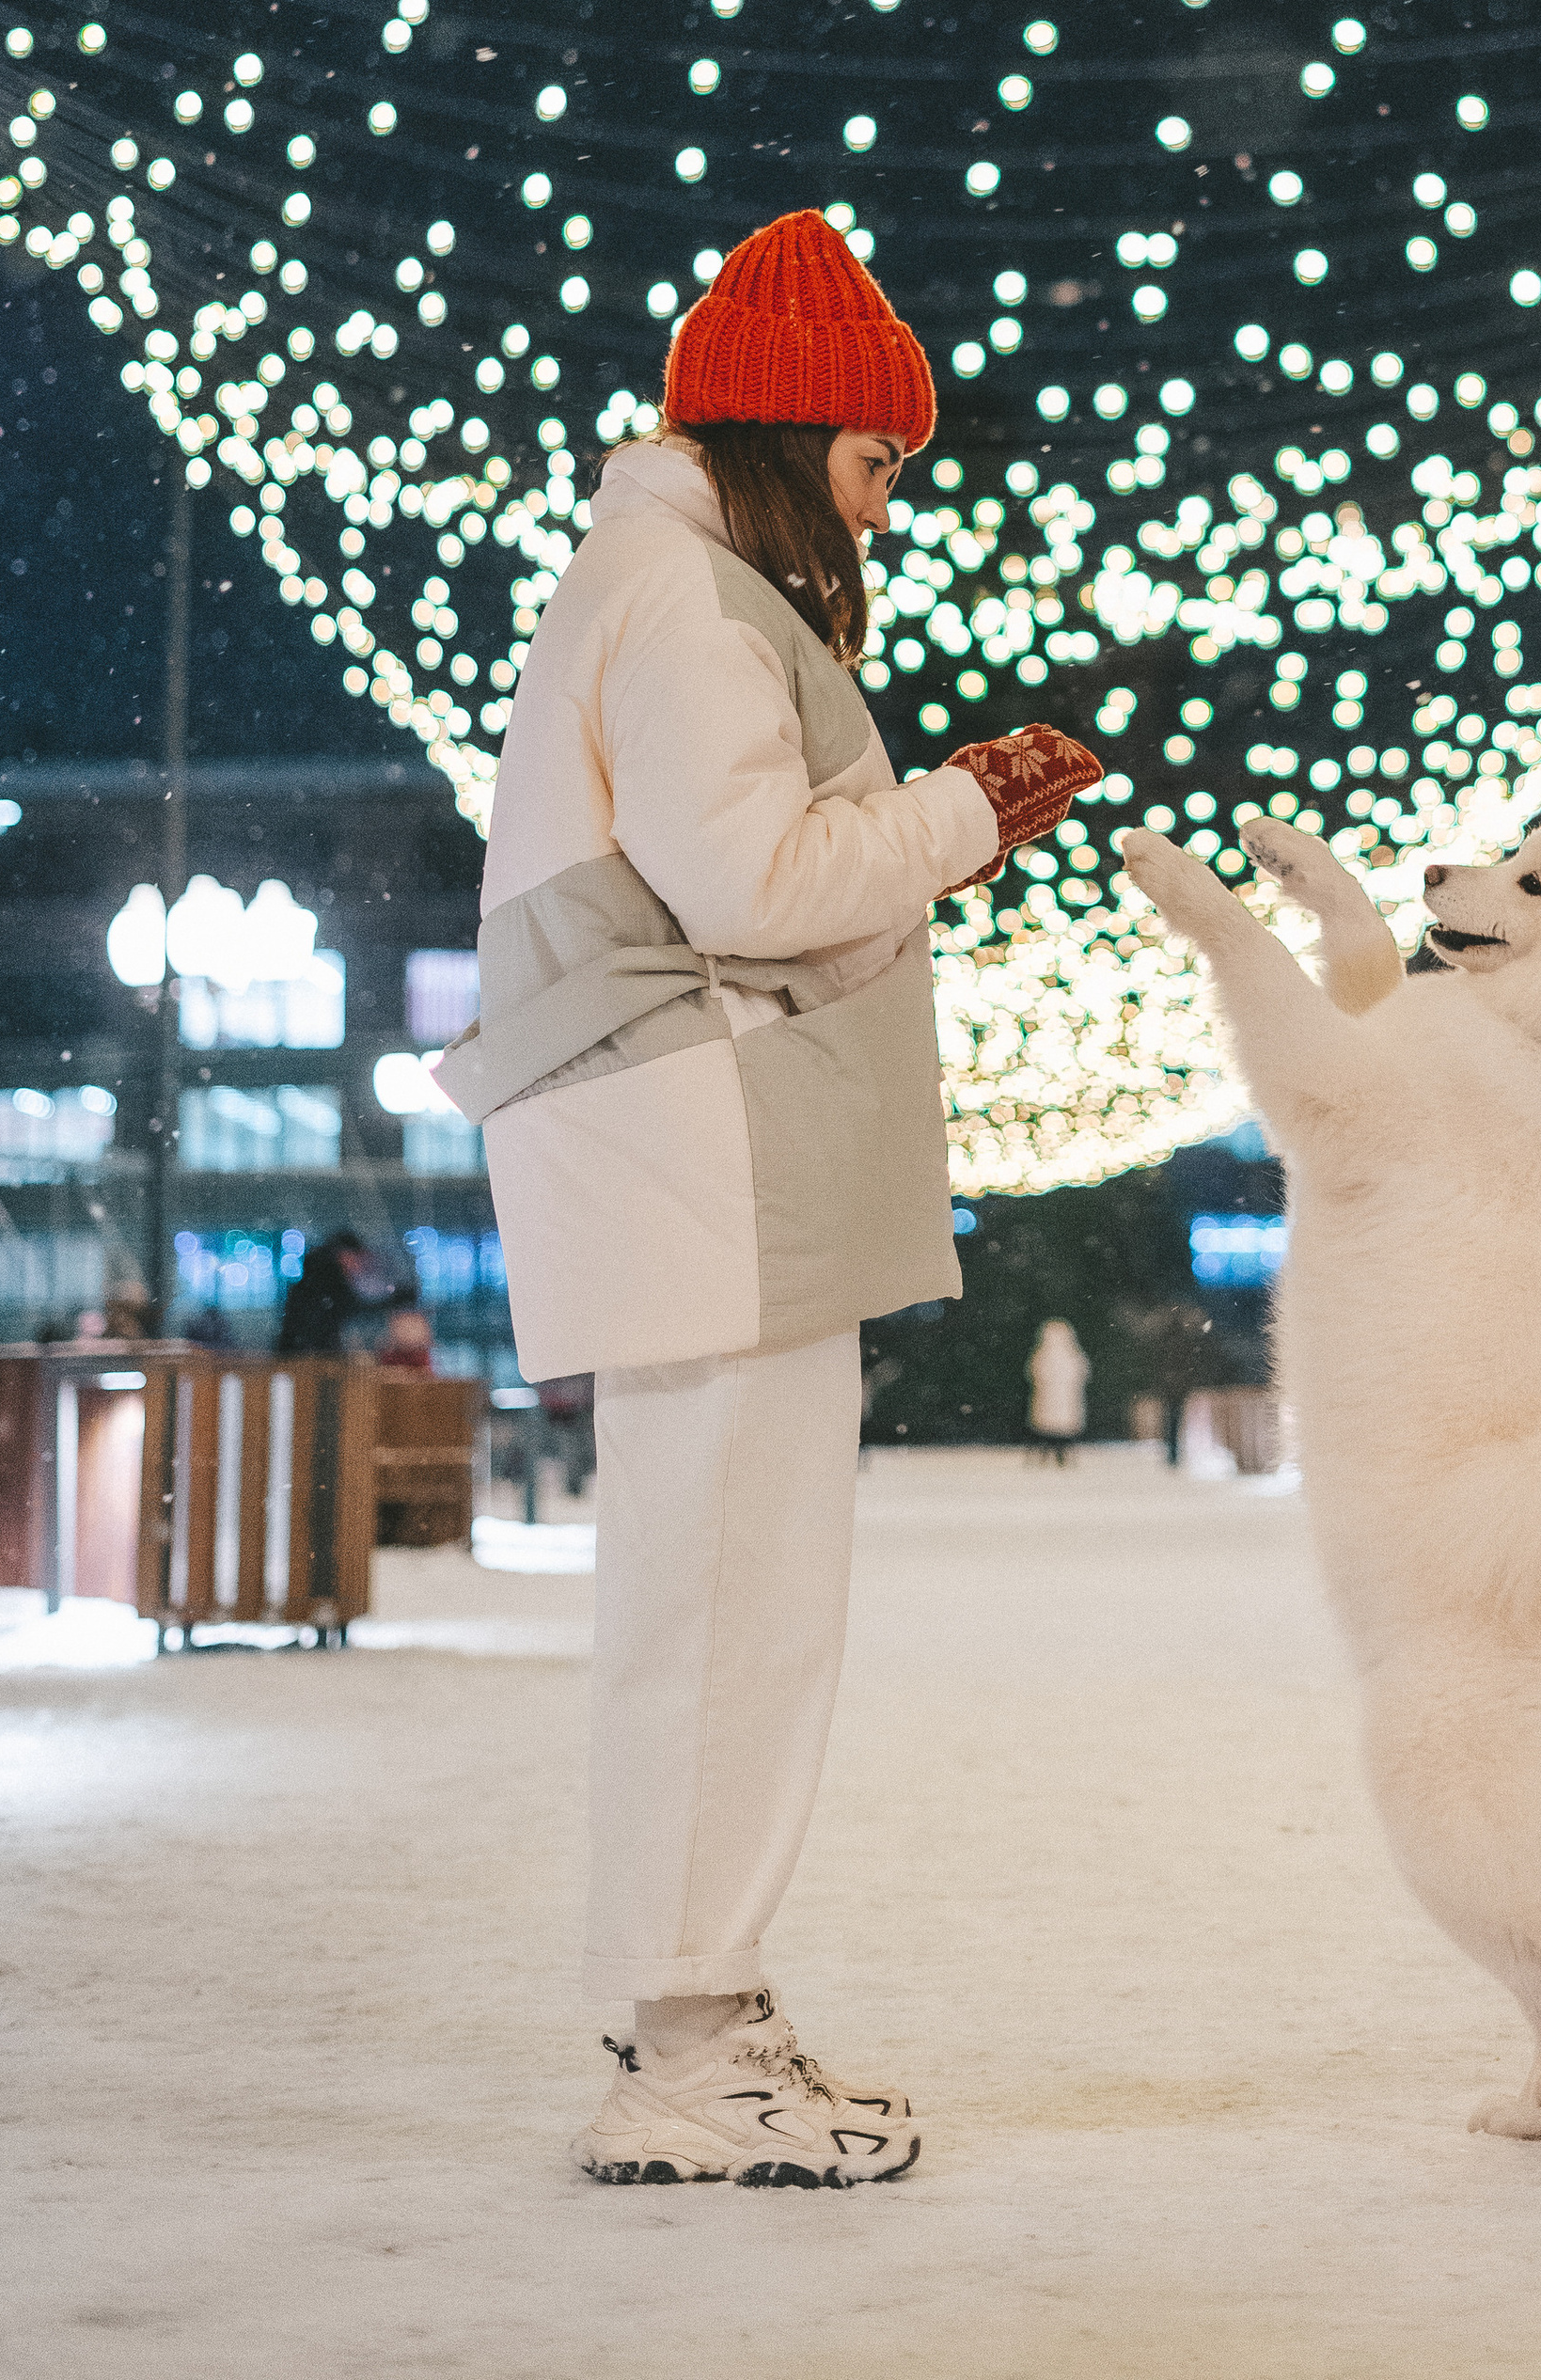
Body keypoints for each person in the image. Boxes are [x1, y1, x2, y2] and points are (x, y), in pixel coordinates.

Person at [436, 207, 1099, 2189]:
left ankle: (692, 2014)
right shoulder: (698, 601)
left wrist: (941, 804)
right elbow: (754, 885)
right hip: (703, 1160)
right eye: (876, 460)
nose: (885, 511)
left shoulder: (658, 579)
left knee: (706, 1604)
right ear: (789, 425)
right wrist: (964, 807)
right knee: (737, 1608)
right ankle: (691, 2036)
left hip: (682, 1155)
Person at [275, 1229, 373, 1358]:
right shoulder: (331, 1283)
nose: (359, 1265)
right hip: (314, 1355)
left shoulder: (315, 1279)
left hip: (299, 1351)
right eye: (356, 1258)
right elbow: (342, 1313)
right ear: (343, 1255)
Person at [1027, 1315, 1091, 1465]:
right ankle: (1057, 1456)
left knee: (1051, 1432)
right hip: (1059, 1404)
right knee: (1056, 1432)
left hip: (1057, 1404)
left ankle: (1054, 1457)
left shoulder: (1044, 1354)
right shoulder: (1071, 1354)